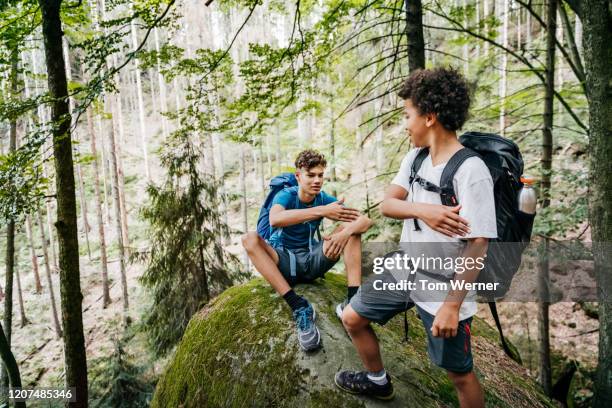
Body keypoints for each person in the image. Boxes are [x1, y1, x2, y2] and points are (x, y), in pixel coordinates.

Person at [335, 67, 497, 406]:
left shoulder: (472, 171)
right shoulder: (415, 158)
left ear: (430, 117)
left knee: (459, 374)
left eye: (407, 115)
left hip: (443, 285)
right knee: (352, 317)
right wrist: (426, 211)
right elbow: (388, 204)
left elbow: (479, 244)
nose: (404, 124)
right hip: (406, 267)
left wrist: (451, 307)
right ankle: (377, 380)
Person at [241, 149, 373, 352]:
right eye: (311, 175)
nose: (317, 180)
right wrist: (322, 211)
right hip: (284, 262)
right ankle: (299, 306)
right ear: (298, 176)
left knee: (351, 231)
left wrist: (345, 233)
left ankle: (352, 302)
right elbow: (275, 218)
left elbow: (365, 220)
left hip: (312, 261)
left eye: (320, 175)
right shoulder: (286, 195)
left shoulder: (323, 198)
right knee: (249, 239)